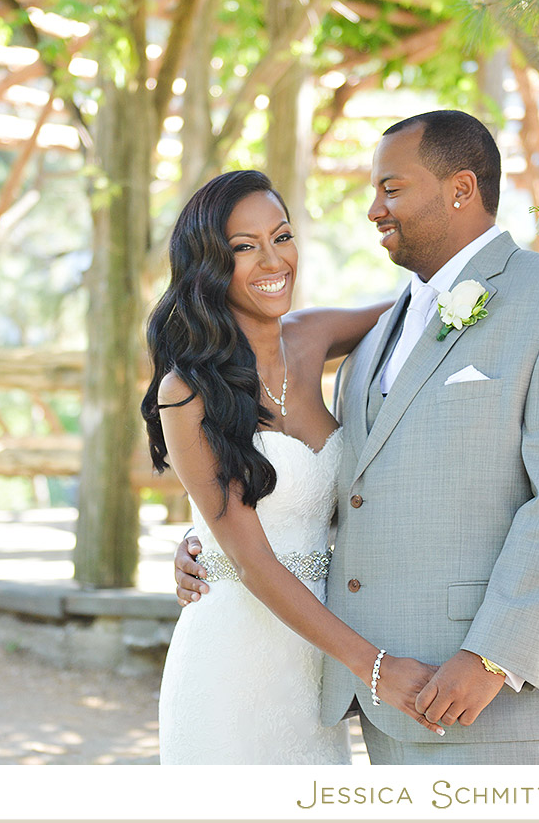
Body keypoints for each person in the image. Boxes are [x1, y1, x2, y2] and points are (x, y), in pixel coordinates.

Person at [174, 111, 539, 765]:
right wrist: (209, 540)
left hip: (495, 699)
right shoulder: (386, 325)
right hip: (376, 703)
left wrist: (495, 655)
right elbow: (359, 488)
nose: (372, 210)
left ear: (460, 189)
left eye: (391, 189)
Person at [143, 169, 447, 764]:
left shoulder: (314, 337)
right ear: (209, 264)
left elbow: (441, 305)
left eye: (281, 237)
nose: (272, 260)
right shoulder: (187, 390)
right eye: (243, 247)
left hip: (314, 663)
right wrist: (375, 667)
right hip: (232, 657)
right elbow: (252, 559)